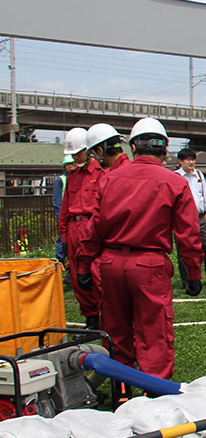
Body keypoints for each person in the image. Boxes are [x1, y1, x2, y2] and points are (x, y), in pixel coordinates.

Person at [76, 118, 203, 380]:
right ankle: (155, 396)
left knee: (116, 332)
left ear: (133, 147)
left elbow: (94, 227)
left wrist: (84, 265)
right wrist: (192, 273)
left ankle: (121, 393)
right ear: (165, 150)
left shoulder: (109, 179)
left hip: (111, 264)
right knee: (154, 335)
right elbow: (188, 234)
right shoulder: (174, 182)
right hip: (149, 265)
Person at [58, 127, 105, 329]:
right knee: (78, 278)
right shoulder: (72, 176)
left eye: (78, 152)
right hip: (74, 228)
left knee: (96, 275)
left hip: (91, 228)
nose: (75, 157)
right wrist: (65, 236)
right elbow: (65, 208)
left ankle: (109, 319)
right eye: (73, 154)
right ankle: (91, 320)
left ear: (88, 150)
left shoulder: (101, 174)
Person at [176, 148, 206, 288]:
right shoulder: (176, 177)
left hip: (199, 217)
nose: (191, 162)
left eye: (193, 159)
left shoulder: (200, 175)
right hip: (182, 218)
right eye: (188, 160)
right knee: (183, 251)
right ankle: (187, 280)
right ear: (180, 161)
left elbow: (204, 195)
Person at [52, 154, 76, 269]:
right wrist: (59, 215)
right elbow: (57, 199)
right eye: (68, 165)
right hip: (63, 212)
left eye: (72, 164)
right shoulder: (61, 180)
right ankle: (60, 260)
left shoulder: (77, 178)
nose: (71, 166)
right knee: (62, 238)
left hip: (74, 214)